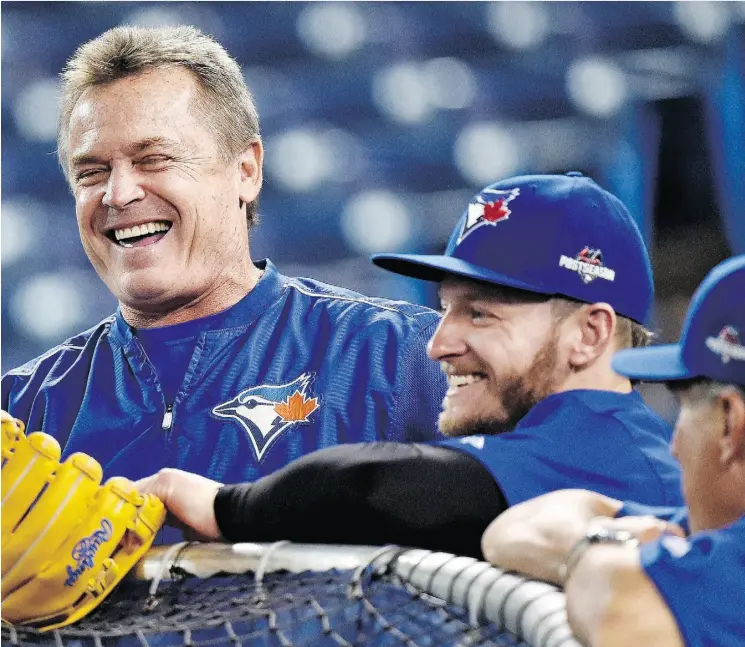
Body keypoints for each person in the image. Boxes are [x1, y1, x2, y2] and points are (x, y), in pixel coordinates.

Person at [136, 172, 683, 558]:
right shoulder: (591, 445)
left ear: (590, 335)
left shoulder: (610, 452)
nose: (439, 343)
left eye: (481, 315)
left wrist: (224, 505)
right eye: (446, 309)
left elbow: (376, 488)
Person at [0, 25, 448, 486]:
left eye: (154, 159)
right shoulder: (22, 409)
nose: (118, 193)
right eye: (91, 172)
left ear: (246, 171)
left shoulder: (403, 356)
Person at [481, 255, 745, 647]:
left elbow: (619, 607)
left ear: (729, 422)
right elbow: (518, 526)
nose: (674, 448)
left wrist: (597, 550)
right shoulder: (702, 527)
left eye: (687, 409)